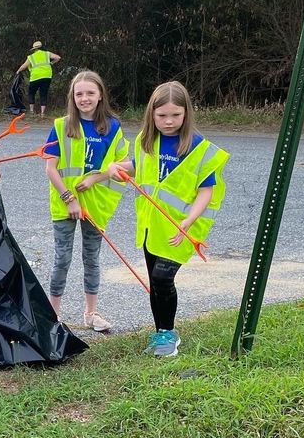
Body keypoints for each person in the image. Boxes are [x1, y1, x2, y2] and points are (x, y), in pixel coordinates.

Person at [107, 81, 229, 358]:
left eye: (176, 115)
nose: (169, 121)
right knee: (154, 280)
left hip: (182, 228)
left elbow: (205, 191)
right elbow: (139, 169)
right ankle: (161, 331)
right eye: (162, 116)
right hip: (152, 225)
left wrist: (188, 221)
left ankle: (169, 334)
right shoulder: (146, 142)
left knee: (163, 278)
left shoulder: (198, 148)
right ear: (152, 114)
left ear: (187, 114)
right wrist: (118, 167)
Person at [45, 70, 129, 332]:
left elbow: (124, 166)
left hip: (95, 204)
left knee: (92, 259)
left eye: (90, 93)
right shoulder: (61, 125)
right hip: (65, 205)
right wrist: (69, 198)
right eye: (79, 93)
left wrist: (95, 178)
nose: (84, 98)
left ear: (100, 95)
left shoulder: (113, 127)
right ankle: (53, 315)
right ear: (72, 96)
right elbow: (50, 168)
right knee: (62, 259)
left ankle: (91, 314)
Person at [15, 40, 61, 117]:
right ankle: (42, 113)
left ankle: (32, 111)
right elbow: (58, 57)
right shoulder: (47, 54)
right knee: (43, 93)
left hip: (35, 77)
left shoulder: (31, 57)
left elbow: (24, 66)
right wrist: (51, 63)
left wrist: (18, 71)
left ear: (34, 49)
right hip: (47, 76)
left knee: (31, 93)